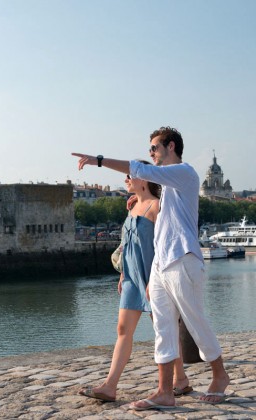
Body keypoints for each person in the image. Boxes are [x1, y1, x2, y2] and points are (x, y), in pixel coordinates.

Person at [72, 126, 229, 409]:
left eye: (154, 148)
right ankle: (164, 391)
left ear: (170, 146)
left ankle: (220, 375)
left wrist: (98, 160)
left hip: (183, 258)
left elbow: (140, 171)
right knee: (164, 329)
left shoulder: (185, 172)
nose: (151, 154)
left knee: (194, 320)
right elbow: (158, 220)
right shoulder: (168, 188)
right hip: (162, 263)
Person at [78, 161, 191, 402]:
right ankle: (110, 386)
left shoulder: (157, 207)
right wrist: (122, 274)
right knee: (123, 330)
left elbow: (163, 246)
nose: (126, 179)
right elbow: (127, 245)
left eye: (130, 176)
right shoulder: (132, 207)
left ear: (145, 179)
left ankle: (180, 380)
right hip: (130, 279)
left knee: (164, 331)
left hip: (153, 278)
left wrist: (155, 279)